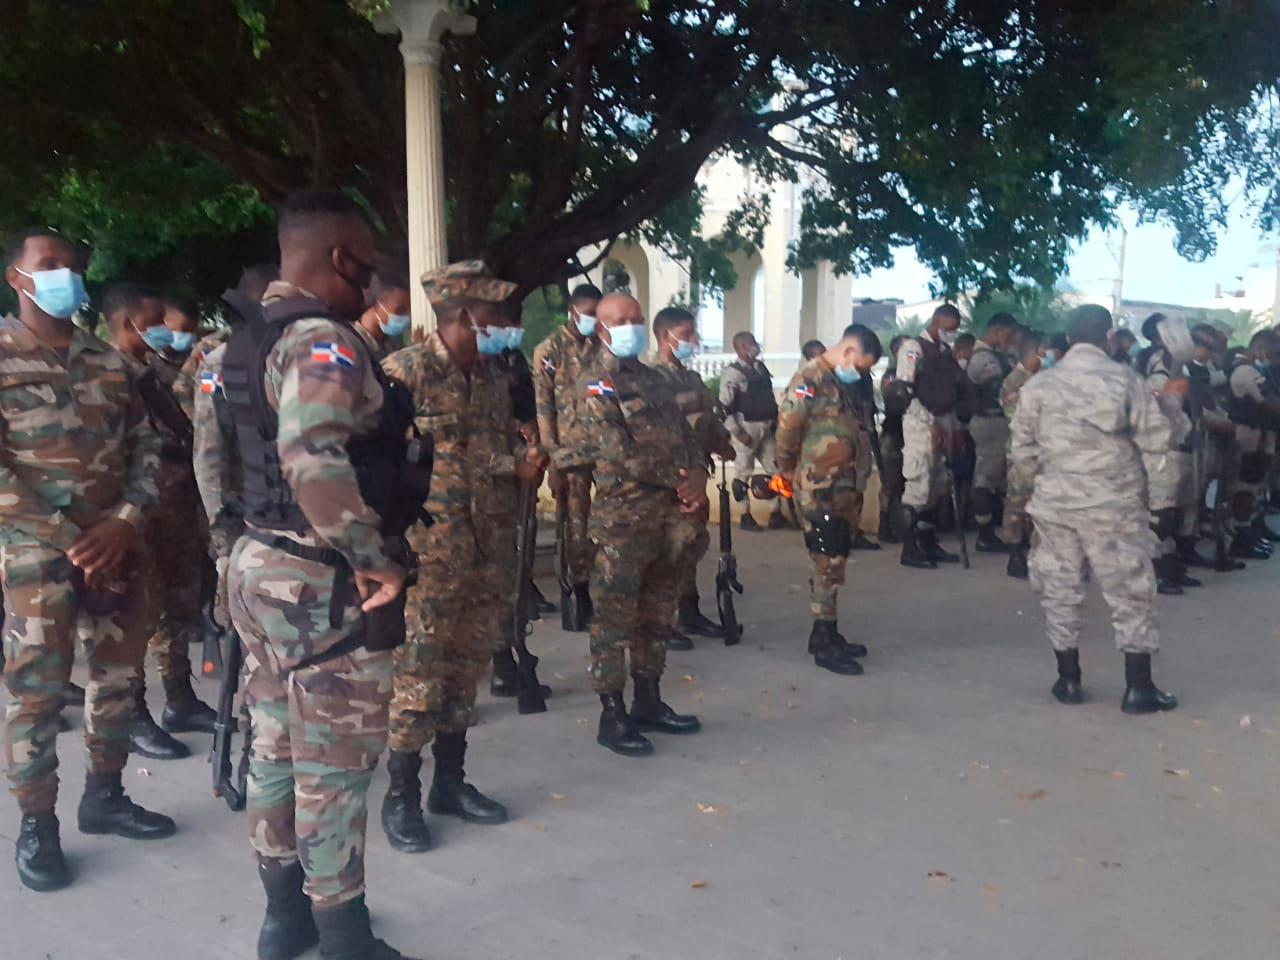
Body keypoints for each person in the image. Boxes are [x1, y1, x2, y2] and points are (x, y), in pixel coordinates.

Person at [222, 190, 419, 960]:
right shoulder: (319, 343)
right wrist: (376, 560)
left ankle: (283, 917)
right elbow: (313, 462)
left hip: (258, 562)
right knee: (332, 766)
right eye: (365, 271)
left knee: (272, 743)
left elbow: (224, 464)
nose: (368, 290)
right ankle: (343, 936)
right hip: (322, 577)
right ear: (340, 259)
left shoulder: (236, 342)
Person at [2, 228, 175, 894]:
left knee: (117, 681)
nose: (65, 275)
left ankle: (104, 795)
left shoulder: (110, 362)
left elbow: (150, 450)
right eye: (49, 265)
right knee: (37, 695)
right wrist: (70, 535)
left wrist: (124, 523)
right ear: (17, 278)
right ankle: (37, 825)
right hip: (33, 557)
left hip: (118, 549)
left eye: (72, 266)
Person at [379, 262, 545, 854]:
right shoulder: (405, 373)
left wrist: (524, 453)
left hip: (487, 547)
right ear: (466, 315)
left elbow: (494, 443)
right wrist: (507, 466)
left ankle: (450, 783)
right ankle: (400, 796)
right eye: (497, 316)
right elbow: (384, 465)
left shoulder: (496, 376)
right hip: (429, 555)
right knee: (418, 676)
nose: (506, 326)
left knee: (465, 669)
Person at [555, 293, 707, 756]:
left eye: (637, 319)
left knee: (657, 613)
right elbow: (616, 452)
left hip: (668, 520)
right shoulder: (595, 384)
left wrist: (698, 475)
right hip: (623, 522)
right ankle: (611, 713)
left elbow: (686, 437)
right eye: (621, 320)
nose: (632, 327)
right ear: (601, 327)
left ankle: (649, 700)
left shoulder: (656, 380)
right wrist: (678, 482)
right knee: (614, 620)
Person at [1010, 304, 1177, 714]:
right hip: (1113, 503)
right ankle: (1138, 689)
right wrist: (1163, 500)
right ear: (1107, 337)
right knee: (1129, 590)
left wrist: (1039, 484)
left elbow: (1022, 451)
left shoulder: (1039, 385)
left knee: (1060, 586)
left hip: (1056, 504)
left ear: (1068, 339)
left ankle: (1068, 680)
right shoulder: (1127, 380)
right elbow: (1156, 442)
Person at [102, 285, 215, 762]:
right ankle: (134, 715)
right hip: (136, 515)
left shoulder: (149, 372)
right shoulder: (106, 376)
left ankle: (181, 699)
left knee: (176, 605)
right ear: (128, 322)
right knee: (137, 615)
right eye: (154, 320)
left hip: (174, 504)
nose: (164, 331)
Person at [775, 324, 883, 674]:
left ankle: (828, 631)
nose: (862, 373)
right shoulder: (810, 379)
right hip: (818, 486)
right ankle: (822, 640)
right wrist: (785, 471)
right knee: (826, 561)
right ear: (849, 352)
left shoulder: (841, 381)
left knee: (836, 557)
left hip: (843, 487)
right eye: (863, 366)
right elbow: (788, 428)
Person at [649, 306, 735, 647]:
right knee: (666, 552)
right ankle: (659, 621)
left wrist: (723, 444)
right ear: (665, 337)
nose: (694, 341)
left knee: (691, 546)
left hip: (697, 476)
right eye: (687, 335)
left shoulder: (691, 378)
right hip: (670, 480)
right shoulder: (652, 380)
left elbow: (706, 420)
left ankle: (689, 611)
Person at [532, 283, 602, 627]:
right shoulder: (549, 349)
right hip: (570, 456)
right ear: (572, 312)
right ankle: (579, 592)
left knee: (608, 524)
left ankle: (606, 589)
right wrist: (553, 460)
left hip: (606, 452)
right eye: (589, 314)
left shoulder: (602, 347)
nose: (594, 320)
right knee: (574, 527)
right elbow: (544, 408)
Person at [885, 304, 972, 568]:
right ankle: (910, 549)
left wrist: (953, 428)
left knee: (938, 486)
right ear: (936, 322)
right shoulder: (913, 348)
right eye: (948, 329)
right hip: (920, 424)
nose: (951, 335)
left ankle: (929, 542)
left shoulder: (944, 352)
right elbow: (904, 392)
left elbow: (952, 391)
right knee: (919, 486)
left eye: (954, 331)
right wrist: (931, 423)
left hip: (943, 422)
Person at [1135, 314, 1200, 594]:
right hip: (1159, 451)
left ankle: (1170, 566)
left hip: (1176, 447)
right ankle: (1153, 571)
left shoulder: (1178, 369)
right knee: (1159, 515)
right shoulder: (1156, 371)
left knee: (1172, 514)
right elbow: (1158, 411)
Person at [719, 331, 786, 530]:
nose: (754, 346)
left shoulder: (760, 368)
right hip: (745, 428)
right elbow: (724, 406)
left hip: (766, 427)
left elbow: (768, 397)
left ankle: (776, 513)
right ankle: (745, 515)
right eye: (750, 344)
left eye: (755, 342)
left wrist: (775, 421)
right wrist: (736, 432)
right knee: (742, 475)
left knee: (775, 471)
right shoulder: (733, 373)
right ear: (739, 348)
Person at [966, 313, 1020, 552]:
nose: (1009, 339)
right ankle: (984, 535)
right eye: (1007, 334)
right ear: (997, 331)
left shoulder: (998, 356)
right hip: (989, 422)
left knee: (995, 478)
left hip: (997, 422)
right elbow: (998, 388)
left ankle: (989, 530)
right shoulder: (983, 358)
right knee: (985, 478)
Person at [1225, 329, 1280, 559]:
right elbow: (1267, 401)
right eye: (1276, 354)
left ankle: (1250, 533)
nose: (1277, 359)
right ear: (1262, 350)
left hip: (1260, 435)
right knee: (1244, 489)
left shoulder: (1256, 369)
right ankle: (1241, 537)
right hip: (1248, 437)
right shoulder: (1245, 370)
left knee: (1255, 488)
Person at [1000, 332, 1043, 578]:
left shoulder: (1041, 380)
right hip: (1022, 451)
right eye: (1043, 351)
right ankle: (1015, 553)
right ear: (1034, 352)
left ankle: (1033, 552)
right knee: (1017, 503)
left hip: (1042, 451)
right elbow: (1014, 415)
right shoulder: (1015, 381)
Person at [877, 334, 907, 543]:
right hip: (894, 433)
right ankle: (885, 524)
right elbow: (895, 399)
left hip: (910, 433)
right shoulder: (892, 375)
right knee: (890, 481)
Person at [354, 269, 412, 361]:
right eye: (400, 310)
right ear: (378, 305)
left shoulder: (392, 342)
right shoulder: (355, 344)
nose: (407, 316)